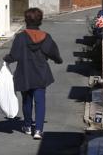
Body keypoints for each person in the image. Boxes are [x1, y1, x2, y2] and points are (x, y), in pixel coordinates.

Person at [4, 7, 63, 140]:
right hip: (41, 73)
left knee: (27, 100)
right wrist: (58, 60)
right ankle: (38, 130)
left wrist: (6, 59)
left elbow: (14, 55)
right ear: (40, 21)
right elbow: (53, 52)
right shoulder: (46, 37)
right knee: (40, 102)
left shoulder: (20, 37)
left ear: (26, 20)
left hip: (24, 73)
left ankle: (27, 125)